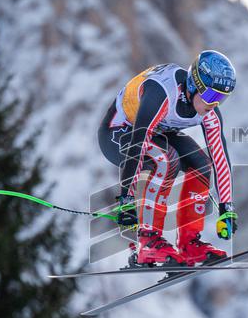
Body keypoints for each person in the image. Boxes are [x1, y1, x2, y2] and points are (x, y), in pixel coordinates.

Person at [98, 50, 239, 265]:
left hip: (158, 132)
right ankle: (148, 242)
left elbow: (220, 156)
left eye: (222, 98)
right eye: (212, 96)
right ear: (194, 85)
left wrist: (226, 209)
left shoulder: (208, 110)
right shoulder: (162, 92)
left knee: (200, 163)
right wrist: (125, 201)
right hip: (119, 133)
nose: (215, 104)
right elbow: (138, 142)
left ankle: (189, 242)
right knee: (166, 159)